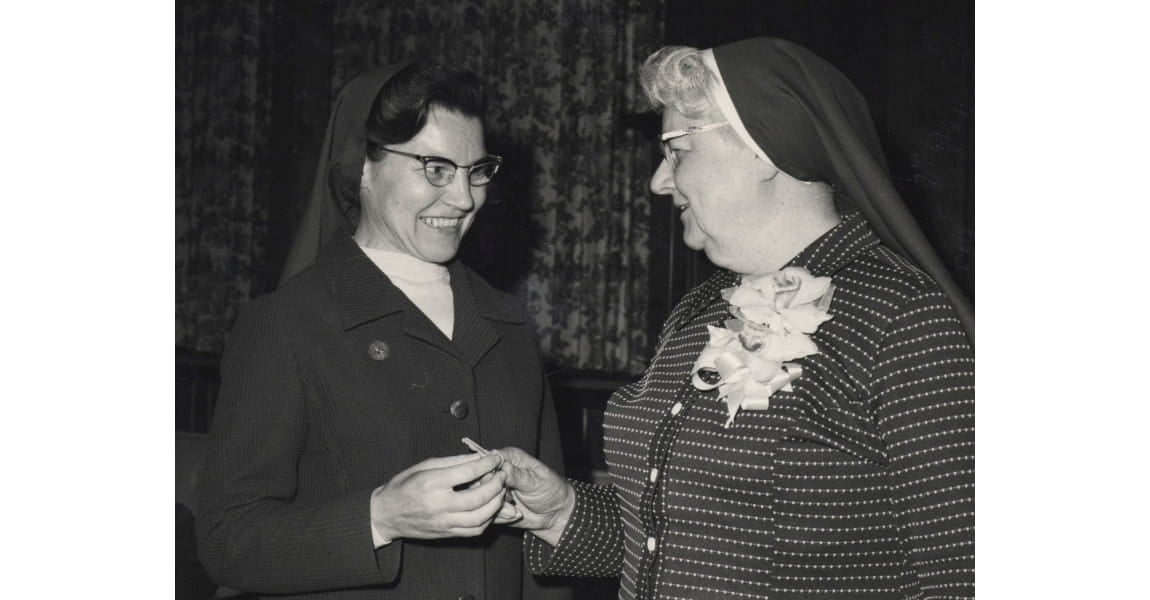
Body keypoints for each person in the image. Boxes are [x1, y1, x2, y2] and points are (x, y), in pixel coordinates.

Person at [495, 37, 975, 599]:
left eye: (676, 150)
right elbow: (688, 537)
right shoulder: (697, 311)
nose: (658, 180)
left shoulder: (906, 320)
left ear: (764, 149)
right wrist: (559, 512)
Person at [195, 61, 570, 600]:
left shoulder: (507, 323)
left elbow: (545, 553)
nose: (465, 198)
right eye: (436, 168)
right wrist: (380, 518)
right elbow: (226, 541)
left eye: (476, 169)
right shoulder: (285, 323)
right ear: (362, 169)